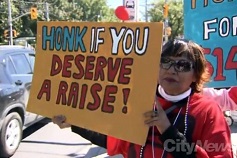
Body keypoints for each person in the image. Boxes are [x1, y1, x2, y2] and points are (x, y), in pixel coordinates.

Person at [52, 39, 233, 158]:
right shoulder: (139, 100)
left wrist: (166, 129)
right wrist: (75, 122)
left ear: (196, 74)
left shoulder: (208, 111)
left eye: (182, 65)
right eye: (165, 62)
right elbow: (112, 140)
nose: (171, 69)